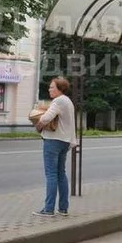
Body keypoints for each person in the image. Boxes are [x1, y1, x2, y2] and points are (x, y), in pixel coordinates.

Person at [33, 76, 76, 217]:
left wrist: (38, 126)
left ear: (60, 88)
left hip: (53, 140)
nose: (49, 89)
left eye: (52, 87)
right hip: (65, 140)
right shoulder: (68, 101)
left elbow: (46, 117)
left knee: (51, 174)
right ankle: (63, 208)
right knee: (61, 174)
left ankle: (48, 209)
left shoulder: (58, 101)